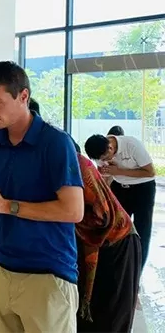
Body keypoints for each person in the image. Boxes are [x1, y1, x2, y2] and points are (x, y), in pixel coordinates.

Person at [0, 61, 84, 332]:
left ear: (23, 96)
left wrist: (7, 206)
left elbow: (73, 211)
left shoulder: (55, 143)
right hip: (2, 267)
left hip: (47, 273)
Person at [73, 140, 141, 332]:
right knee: (87, 316)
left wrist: (65, 215)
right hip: (93, 246)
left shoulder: (77, 167)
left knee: (112, 317)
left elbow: (101, 216)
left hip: (119, 244)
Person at [84, 133, 156, 268]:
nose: (103, 161)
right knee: (116, 227)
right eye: (100, 160)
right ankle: (118, 267)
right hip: (120, 187)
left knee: (142, 230)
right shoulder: (99, 151)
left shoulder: (132, 145)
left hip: (143, 189)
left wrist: (118, 171)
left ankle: (137, 270)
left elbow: (150, 172)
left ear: (110, 148)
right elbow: (102, 173)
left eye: (105, 158)